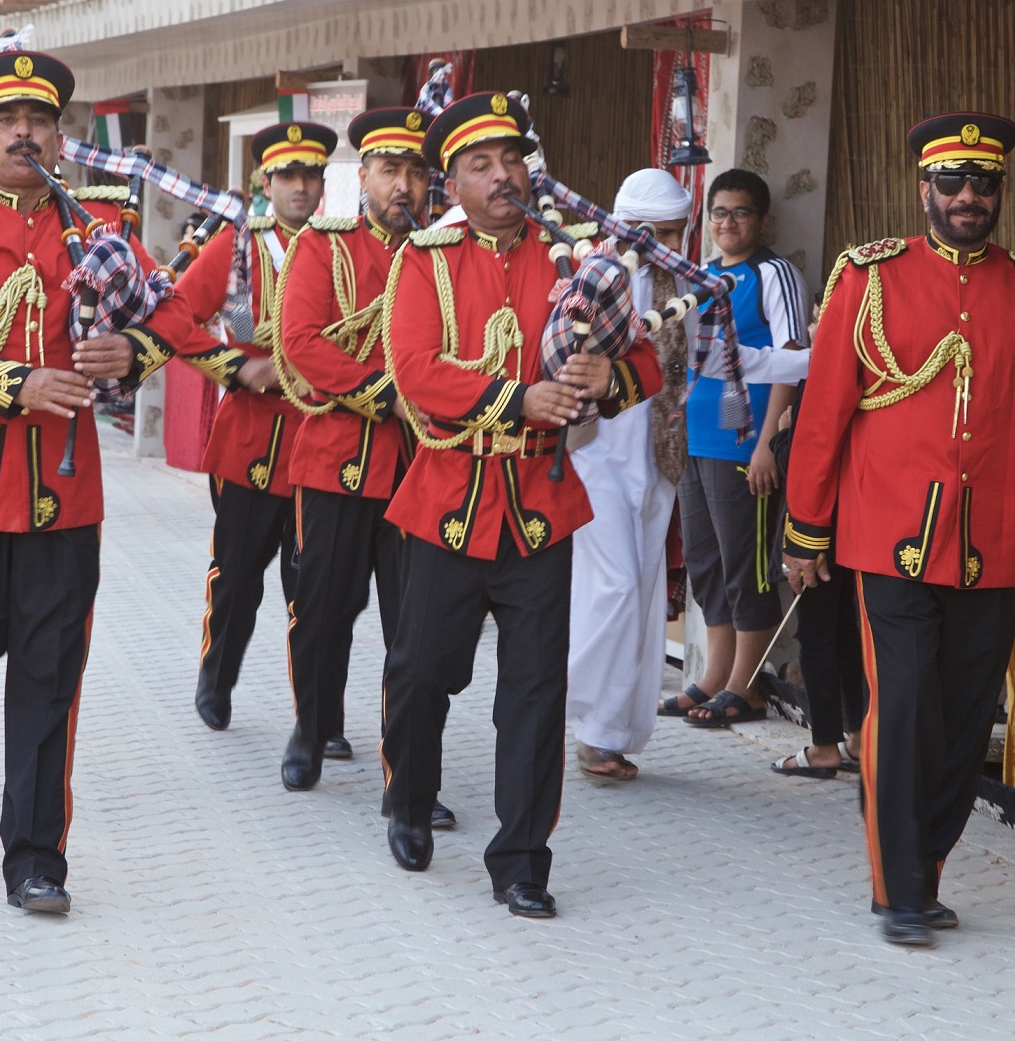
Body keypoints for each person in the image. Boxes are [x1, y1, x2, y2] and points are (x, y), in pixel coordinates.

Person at [0, 50, 233, 913]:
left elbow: (180, 311)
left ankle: (37, 856)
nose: (24, 133)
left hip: (63, 497)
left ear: (59, 134)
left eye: (40, 121)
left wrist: (136, 351)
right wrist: (18, 381)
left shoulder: (101, 223)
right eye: (7, 121)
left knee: (49, 679)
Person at [781, 112, 1015, 948]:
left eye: (982, 183)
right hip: (888, 537)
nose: (967, 197)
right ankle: (902, 887)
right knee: (906, 703)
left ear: (999, 191)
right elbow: (822, 416)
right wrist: (805, 531)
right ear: (923, 188)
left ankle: (924, 858)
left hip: (993, 544)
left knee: (964, 722)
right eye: (951, 182)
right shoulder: (869, 277)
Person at [380, 92, 662, 918]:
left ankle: (521, 860)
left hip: (541, 505)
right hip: (446, 501)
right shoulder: (426, 260)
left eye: (510, 159)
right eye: (480, 165)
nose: (502, 176)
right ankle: (408, 799)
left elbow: (642, 355)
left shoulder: (578, 257)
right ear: (452, 183)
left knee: (534, 692)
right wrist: (517, 402)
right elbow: (416, 372)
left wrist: (614, 381)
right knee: (422, 672)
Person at [270, 109, 429, 796]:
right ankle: (312, 728)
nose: (405, 185)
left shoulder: (443, 252)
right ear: (362, 176)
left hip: (421, 471)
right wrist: (385, 393)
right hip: (335, 459)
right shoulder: (323, 247)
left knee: (415, 630)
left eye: (418, 172)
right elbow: (302, 339)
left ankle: (410, 774)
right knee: (323, 612)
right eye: (391, 169)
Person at [176, 122, 322, 733]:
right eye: (288, 175)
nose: (300, 187)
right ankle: (217, 673)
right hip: (251, 444)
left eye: (311, 175)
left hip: (323, 441)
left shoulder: (340, 245)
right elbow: (176, 317)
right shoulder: (240, 243)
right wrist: (236, 366)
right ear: (267, 182)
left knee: (314, 589)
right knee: (237, 579)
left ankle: (315, 715)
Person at [664, 168, 808, 728]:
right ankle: (713, 679)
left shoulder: (773, 273)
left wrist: (768, 441)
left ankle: (745, 687)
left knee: (745, 564)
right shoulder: (701, 276)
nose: (728, 222)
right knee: (706, 564)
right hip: (696, 439)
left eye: (741, 212)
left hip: (742, 442)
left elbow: (792, 362)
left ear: (763, 220)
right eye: (718, 212)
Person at [564, 167, 693, 782]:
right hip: (596, 455)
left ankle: (611, 733)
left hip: (658, 460)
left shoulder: (683, 285)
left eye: (677, 230)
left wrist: (807, 357)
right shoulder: (589, 276)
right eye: (659, 232)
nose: (671, 242)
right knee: (611, 589)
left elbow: (712, 363)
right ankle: (578, 716)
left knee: (639, 596)